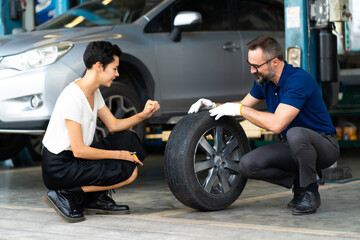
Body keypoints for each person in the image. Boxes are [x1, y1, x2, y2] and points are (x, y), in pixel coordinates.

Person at [188, 36, 339, 215]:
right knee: (247, 165)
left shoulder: (298, 80)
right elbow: (242, 107)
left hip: (323, 146)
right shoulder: (264, 82)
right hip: (292, 146)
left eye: (256, 66)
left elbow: (276, 124)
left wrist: (241, 109)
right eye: (250, 64)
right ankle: (299, 182)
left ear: (275, 62)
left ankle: (310, 191)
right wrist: (213, 106)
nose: (252, 70)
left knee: (296, 134)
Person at [41, 41, 160, 223]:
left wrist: (143, 115)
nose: (117, 74)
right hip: (59, 167)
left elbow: (113, 125)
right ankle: (65, 193)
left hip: (76, 159)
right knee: (129, 172)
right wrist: (120, 155)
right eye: (114, 69)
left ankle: (93, 198)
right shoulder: (72, 96)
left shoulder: (94, 92)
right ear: (99, 67)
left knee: (129, 138)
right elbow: (79, 150)